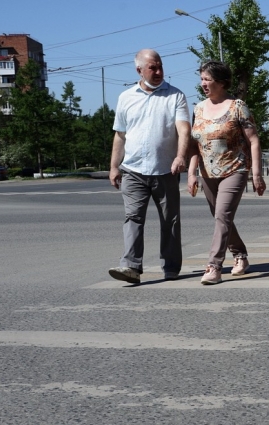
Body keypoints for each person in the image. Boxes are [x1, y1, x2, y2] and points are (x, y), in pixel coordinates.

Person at [108, 49, 191, 284]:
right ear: (139, 70)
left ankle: (171, 267)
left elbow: (184, 129)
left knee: (170, 220)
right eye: (152, 68)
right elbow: (120, 135)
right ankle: (131, 267)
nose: (158, 72)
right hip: (133, 170)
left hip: (166, 169)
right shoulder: (126, 97)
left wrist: (180, 156)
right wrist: (114, 166)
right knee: (133, 217)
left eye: (160, 66)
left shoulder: (176, 96)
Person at [187, 61, 266, 285]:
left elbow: (253, 140)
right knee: (222, 217)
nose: (203, 83)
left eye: (207, 79)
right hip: (207, 173)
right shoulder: (198, 108)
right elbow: (195, 145)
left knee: (222, 215)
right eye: (201, 79)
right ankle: (240, 255)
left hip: (235, 168)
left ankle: (214, 266)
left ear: (221, 82)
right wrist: (191, 174)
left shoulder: (238, 106)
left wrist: (257, 174)